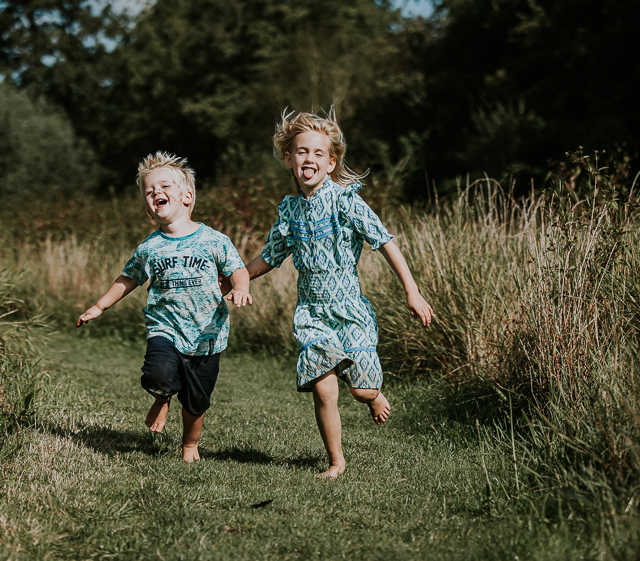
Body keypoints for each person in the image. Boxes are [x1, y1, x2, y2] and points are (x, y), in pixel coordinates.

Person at [241, 110, 434, 478]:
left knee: (362, 392)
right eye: (301, 152)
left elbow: (385, 242)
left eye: (318, 153)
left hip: (349, 310)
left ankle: (373, 395)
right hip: (312, 315)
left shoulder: (346, 201)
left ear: (331, 163)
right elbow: (270, 255)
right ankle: (336, 462)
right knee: (325, 390)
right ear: (289, 159)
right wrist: (239, 279)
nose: (308, 159)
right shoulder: (289, 210)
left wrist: (413, 291)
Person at [78, 152, 252, 462]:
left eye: (165, 186)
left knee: (197, 401)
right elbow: (128, 279)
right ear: (147, 207)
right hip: (165, 328)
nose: (157, 192)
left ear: (187, 197)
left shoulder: (214, 240)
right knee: (159, 372)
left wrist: (241, 286)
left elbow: (237, 268)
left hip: (207, 334)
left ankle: (190, 446)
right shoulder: (150, 247)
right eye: (149, 190)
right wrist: (99, 306)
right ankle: (162, 395)